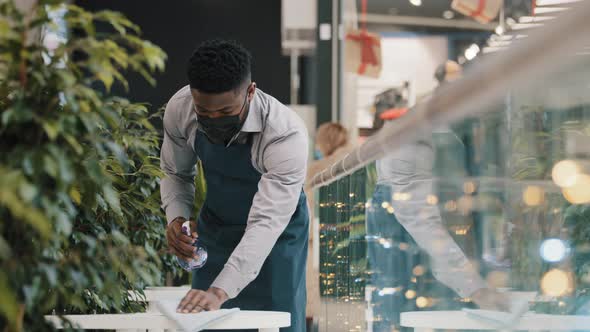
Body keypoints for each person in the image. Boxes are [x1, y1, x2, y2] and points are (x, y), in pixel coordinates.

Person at [160, 39, 309, 332]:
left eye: (225, 112)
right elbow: (176, 173)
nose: (213, 119)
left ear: (250, 91)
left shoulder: (284, 134)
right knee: (206, 322)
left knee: (276, 322)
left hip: (277, 237)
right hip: (216, 227)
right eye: (205, 112)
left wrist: (220, 291)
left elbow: (265, 223)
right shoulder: (180, 109)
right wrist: (177, 218)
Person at [304, 123, 354, 326]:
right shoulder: (357, 165)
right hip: (348, 249)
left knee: (313, 310)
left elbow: (305, 216)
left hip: (317, 249)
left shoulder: (316, 171)